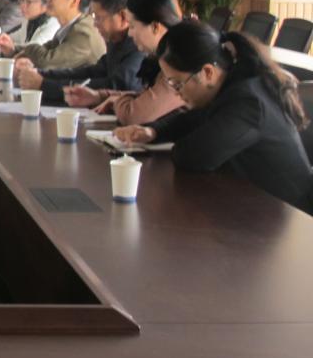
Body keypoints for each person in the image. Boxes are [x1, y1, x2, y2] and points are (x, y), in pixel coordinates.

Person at [114, 21, 313, 214]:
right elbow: (195, 118)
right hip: (255, 206)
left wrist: (178, 143)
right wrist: (153, 131)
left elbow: (193, 156)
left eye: (177, 84)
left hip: (291, 217)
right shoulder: (233, 85)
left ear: (207, 72)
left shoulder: (248, 102)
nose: (176, 93)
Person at [65, 0, 184, 124]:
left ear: (155, 27)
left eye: (132, 26)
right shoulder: (165, 54)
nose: (130, 33)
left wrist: (116, 101)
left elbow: (134, 115)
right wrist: (99, 96)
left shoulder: (180, 61)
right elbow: (146, 98)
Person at [16, 0, 144, 103]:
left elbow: (117, 85)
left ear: (123, 17)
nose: (95, 24)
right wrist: (40, 74)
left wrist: (44, 84)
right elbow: (92, 72)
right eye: (93, 16)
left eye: (99, 18)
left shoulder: (139, 45)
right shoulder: (117, 41)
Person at [13, 0, 106, 75]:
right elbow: (46, 49)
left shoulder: (84, 34)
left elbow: (46, 61)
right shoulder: (69, 27)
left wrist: (26, 51)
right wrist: (14, 49)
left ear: (74, 1)